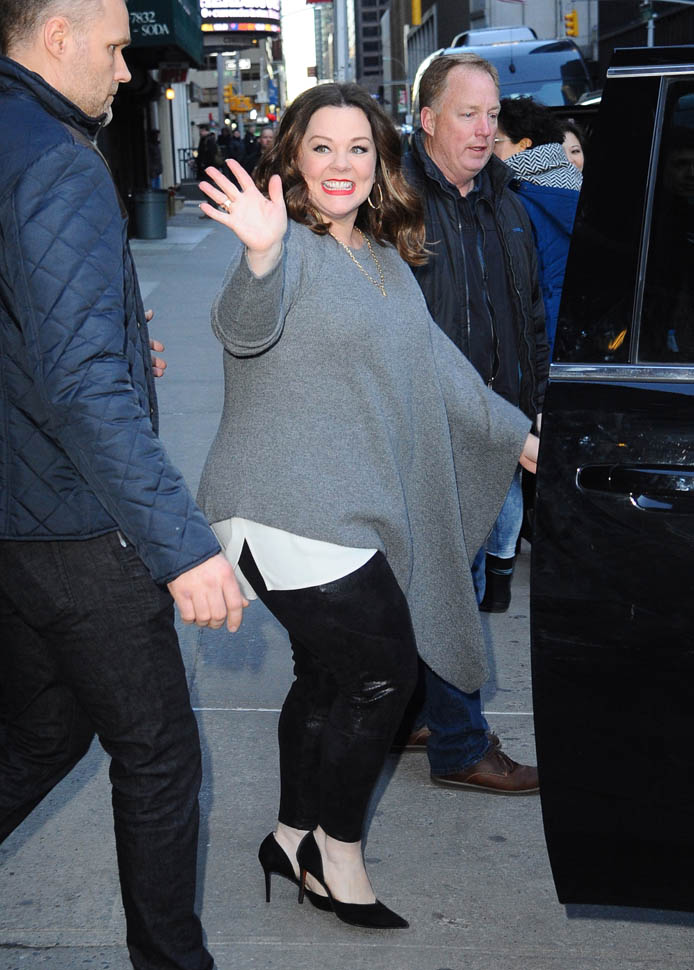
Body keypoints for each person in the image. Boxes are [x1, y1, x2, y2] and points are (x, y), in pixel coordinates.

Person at [195, 82, 538, 929]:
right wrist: (262, 257)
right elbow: (242, 327)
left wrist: (523, 439)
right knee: (383, 674)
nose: (341, 164)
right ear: (293, 157)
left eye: (359, 147)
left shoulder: (384, 261)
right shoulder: (284, 248)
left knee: (329, 674)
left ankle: (289, 836)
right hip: (279, 502)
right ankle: (335, 853)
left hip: (342, 506)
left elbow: (440, 372)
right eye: (322, 147)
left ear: (382, 162)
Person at [0, 2, 247, 969]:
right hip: (75, 521)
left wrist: (101, 341)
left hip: (20, 515)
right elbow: (82, 390)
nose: (126, 70)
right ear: (56, 35)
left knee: (44, 733)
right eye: (112, 48)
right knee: (159, 757)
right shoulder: (59, 161)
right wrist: (181, 546)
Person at [398, 53, 548, 791]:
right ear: (428, 120)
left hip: (500, 428)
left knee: (442, 584)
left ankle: (416, 714)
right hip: (426, 433)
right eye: (468, 114)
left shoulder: (508, 201)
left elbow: (530, 316)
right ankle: (460, 744)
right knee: (452, 588)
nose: (485, 129)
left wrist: (536, 402)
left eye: (492, 114)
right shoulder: (392, 205)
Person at [495, 95, 582, 351]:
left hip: (543, 334)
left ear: (524, 145)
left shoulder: (515, 196)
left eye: (495, 141)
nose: (486, 148)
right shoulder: (574, 180)